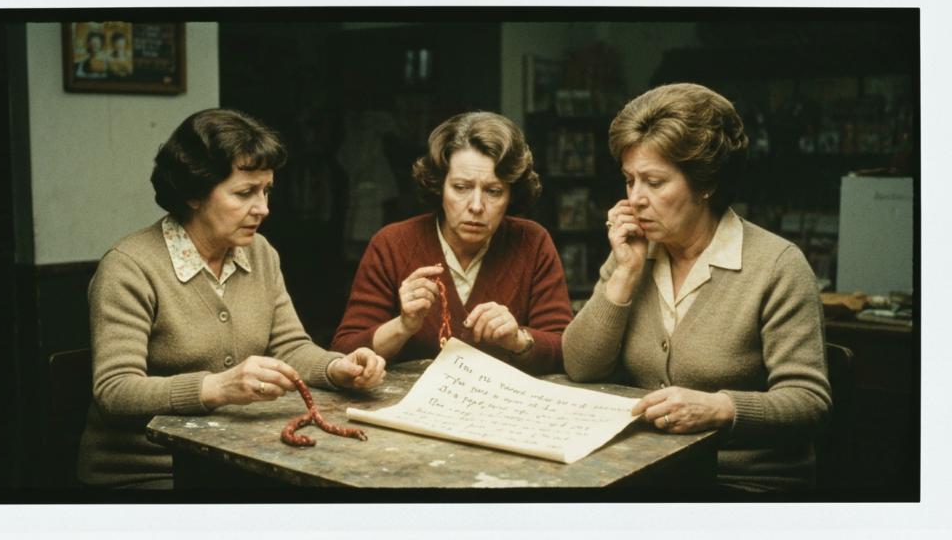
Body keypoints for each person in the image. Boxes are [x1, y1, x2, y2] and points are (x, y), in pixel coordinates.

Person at [78, 109, 387, 489]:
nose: (263, 208)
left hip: (239, 460)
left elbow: (289, 346)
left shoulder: (260, 253)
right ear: (193, 192)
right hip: (149, 472)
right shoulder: (129, 268)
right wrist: (218, 387)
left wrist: (336, 368)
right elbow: (115, 391)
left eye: (266, 190)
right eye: (244, 193)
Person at [561, 83, 832, 492]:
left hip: (742, 483)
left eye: (654, 182)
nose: (635, 199)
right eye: (629, 180)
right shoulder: (635, 250)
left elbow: (810, 403)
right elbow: (580, 366)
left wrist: (720, 408)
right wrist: (624, 273)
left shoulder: (776, 266)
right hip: (643, 471)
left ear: (707, 183)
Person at [331, 111, 574, 375]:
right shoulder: (391, 244)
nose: (476, 206)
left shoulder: (532, 243)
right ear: (439, 186)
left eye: (493, 191)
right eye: (461, 187)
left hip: (503, 408)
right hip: (409, 407)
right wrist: (403, 326)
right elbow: (344, 353)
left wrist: (517, 340)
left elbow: (567, 351)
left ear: (512, 194)